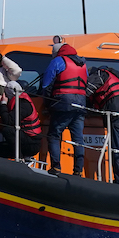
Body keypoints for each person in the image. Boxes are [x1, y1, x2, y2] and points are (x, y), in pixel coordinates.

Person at [40, 43, 88, 176]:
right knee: (78, 139)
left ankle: (56, 167)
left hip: (63, 104)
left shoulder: (58, 61)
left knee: (54, 135)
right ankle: (78, 170)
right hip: (80, 105)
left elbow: (47, 84)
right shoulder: (83, 64)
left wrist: (47, 104)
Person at [85, 66, 119, 185]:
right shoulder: (117, 80)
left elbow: (87, 92)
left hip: (118, 113)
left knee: (117, 149)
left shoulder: (99, 75)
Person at [0, 91, 43, 160]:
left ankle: (19, 159)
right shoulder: (21, 101)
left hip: (32, 143)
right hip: (26, 139)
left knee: (8, 130)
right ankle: (22, 157)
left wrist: (3, 104)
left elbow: (8, 121)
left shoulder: (23, 105)